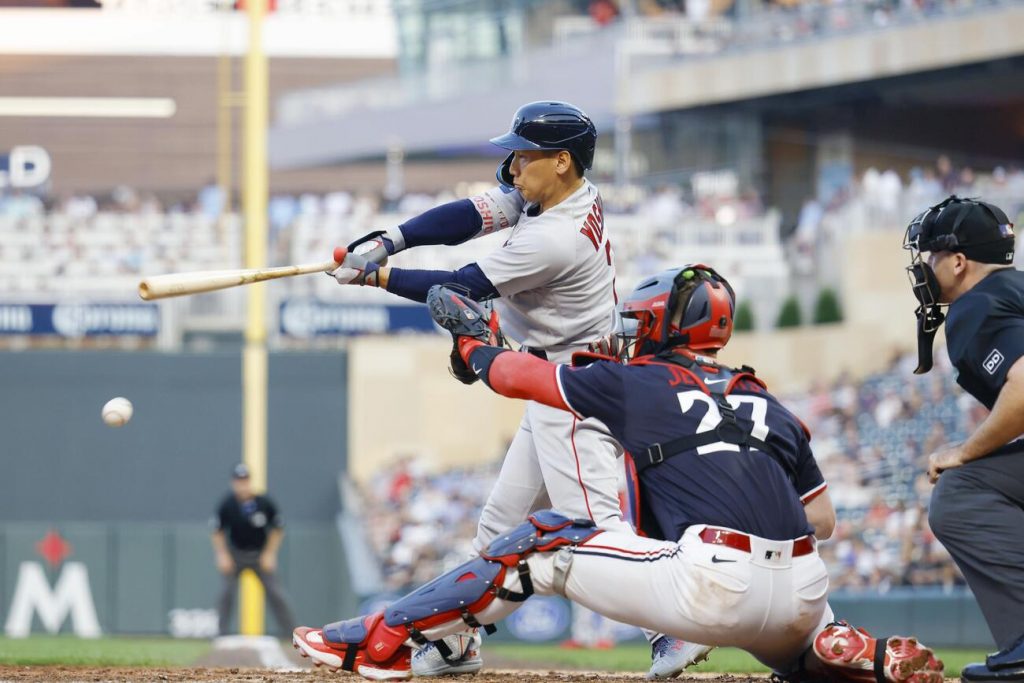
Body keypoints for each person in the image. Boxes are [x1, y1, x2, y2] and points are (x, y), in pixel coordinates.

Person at [293, 265, 944, 683]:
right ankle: (823, 650)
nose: (630, 330)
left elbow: (518, 376)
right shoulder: (767, 400)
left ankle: (379, 642)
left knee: (537, 538)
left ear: (664, 323)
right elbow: (824, 521)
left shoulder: (637, 382)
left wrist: (473, 343)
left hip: (713, 585)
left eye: (639, 319)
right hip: (804, 588)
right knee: (787, 639)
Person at [328, 100, 705, 677]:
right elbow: (467, 218)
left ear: (561, 161)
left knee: (601, 532)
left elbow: (459, 287)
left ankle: (674, 628)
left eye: (524, 154)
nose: (512, 164)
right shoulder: (559, 193)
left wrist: (376, 276)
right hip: (552, 378)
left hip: (577, 389)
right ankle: (457, 640)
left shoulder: (554, 235)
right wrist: (391, 239)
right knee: (498, 528)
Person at [904, 195, 1024, 682]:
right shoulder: (1014, 289)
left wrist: (965, 451)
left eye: (933, 256)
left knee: (960, 491)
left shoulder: (975, 305)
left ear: (958, 261)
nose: (927, 268)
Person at [211, 463, 297, 637]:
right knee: (226, 593)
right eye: (239, 480)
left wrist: (270, 553)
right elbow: (217, 531)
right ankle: (220, 633)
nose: (242, 484)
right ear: (233, 482)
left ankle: (291, 633)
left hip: (260, 554)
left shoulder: (263, 502)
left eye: (245, 480)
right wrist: (222, 555)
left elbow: (278, 528)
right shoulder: (227, 504)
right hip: (236, 554)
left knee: (276, 594)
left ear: (250, 481)